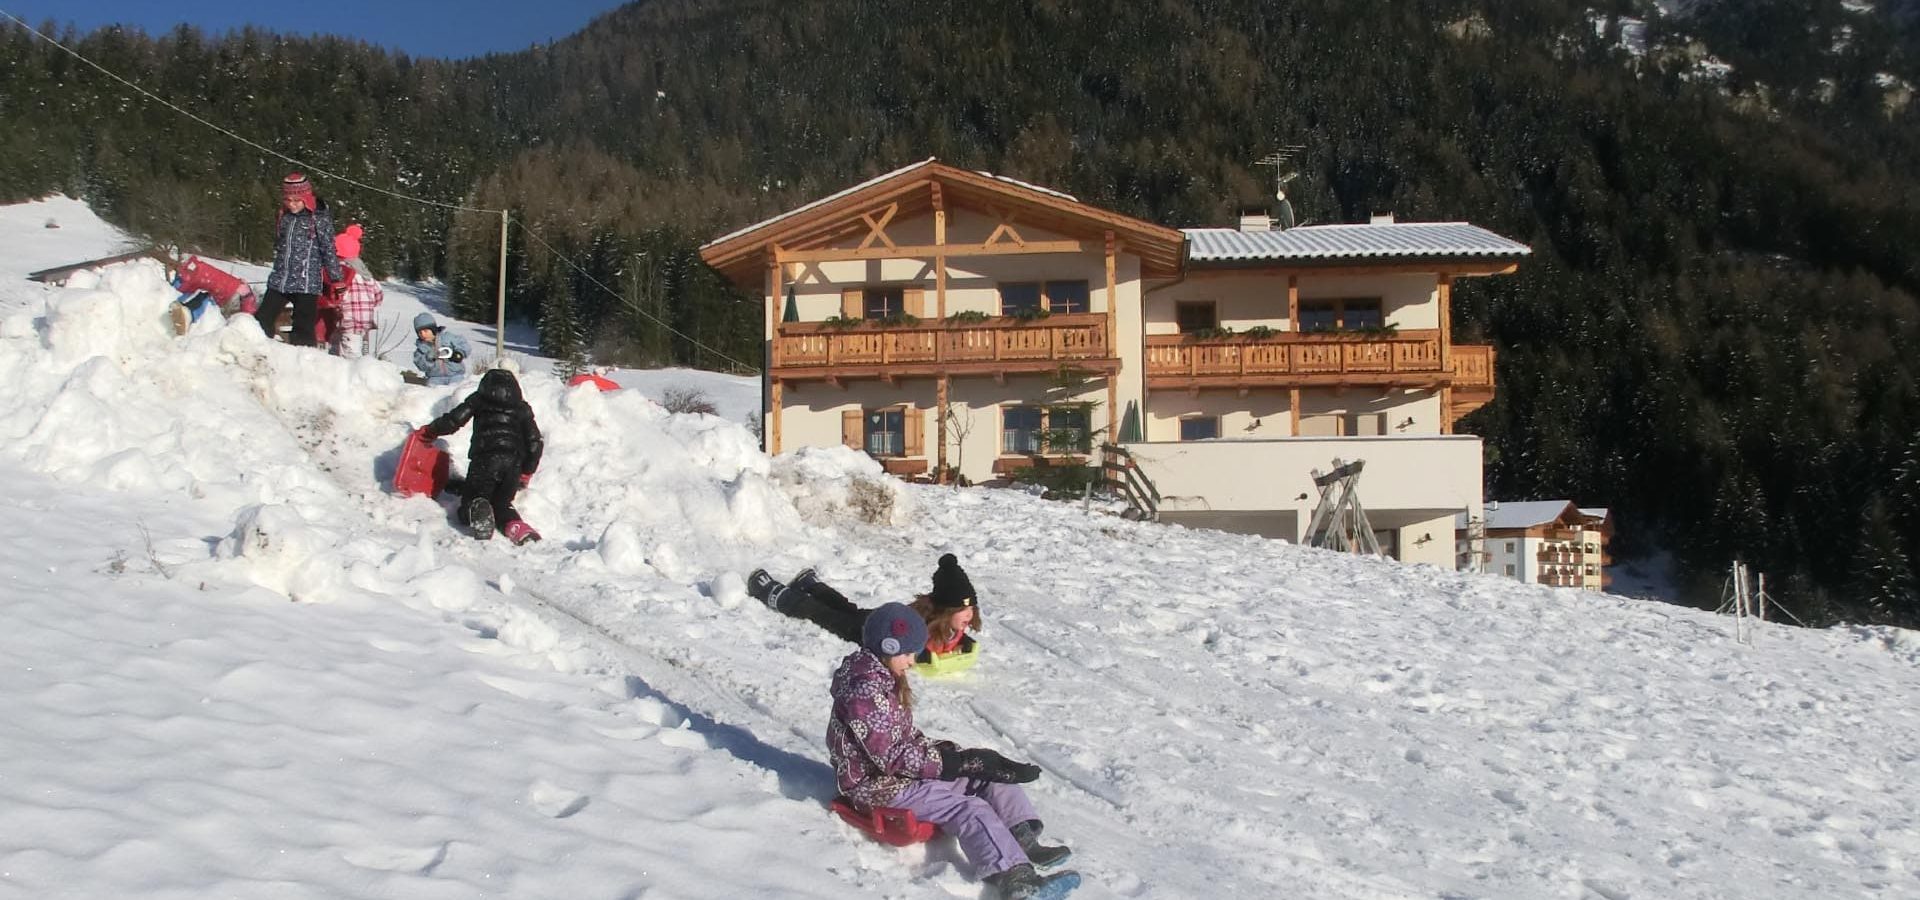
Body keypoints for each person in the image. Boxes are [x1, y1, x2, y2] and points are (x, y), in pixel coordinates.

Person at [827, 603, 1076, 899]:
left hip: (900, 776)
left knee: (990, 777)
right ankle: (1017, 880)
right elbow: (891, 757)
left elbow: (905, 740)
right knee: (969, 808)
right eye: (907, 654)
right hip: (880, 787)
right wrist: (953, 763)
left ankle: (1022, 839)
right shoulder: (865, 691)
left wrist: (968, 758)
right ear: (888, 648)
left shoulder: (881, 679)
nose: (911, 662)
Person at [747, 554, 981, 664]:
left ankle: (811, 584)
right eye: (963, 611)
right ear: (945, 612)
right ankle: (776, 594)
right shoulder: (921, 623)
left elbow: (954, 641)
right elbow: (916, 651)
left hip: (876, 617)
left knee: (847, 608)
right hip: (869, 631)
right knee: (825, 615)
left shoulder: (952, 627)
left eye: (971, 610)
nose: (969, 616)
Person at [416, 368, 543, 543]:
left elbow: (454, 420)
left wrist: (431, 431)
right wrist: (527, 470)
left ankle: (477, 510)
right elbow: (535, 443)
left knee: (473, 499)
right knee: (502, 504)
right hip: (513, 464)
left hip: (485, 459)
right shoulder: (522, 408)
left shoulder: (479, 401)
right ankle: (518, 528)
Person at [254, 173, 344, 346]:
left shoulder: (319, 218)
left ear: (306, 198)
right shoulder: (284, 216)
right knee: (261, 319)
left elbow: (328, 249)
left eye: (297, 200)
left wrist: (336, 279)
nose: (292, 204)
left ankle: (304, 361)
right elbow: (280, 245)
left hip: (306, 283)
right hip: (281, 279)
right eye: (288, 200)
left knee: (303, 327)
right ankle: (260, 350)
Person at [329, 227, 384, 358]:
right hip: (363, 320)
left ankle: (353, 375)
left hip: (348, 319)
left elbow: (337, 294)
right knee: (344, 348)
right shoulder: (366, 274)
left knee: (349, 355)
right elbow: (379, 296)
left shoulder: (342, 272)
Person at [412, 313, 471, 386]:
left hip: (455, 375)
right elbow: (420, 365)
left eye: (425, 331)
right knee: (433, 392)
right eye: (420, 333)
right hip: (435, 378)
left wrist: (459, 353)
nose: (423, 335)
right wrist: (428, 358)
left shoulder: (447, 338)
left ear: (433, 329)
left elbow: (464, 344)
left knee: (458, 391)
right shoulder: (421, 349)